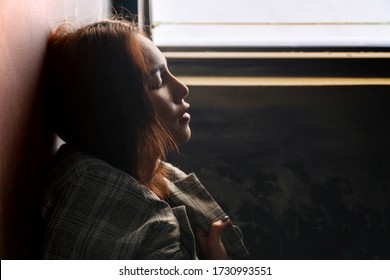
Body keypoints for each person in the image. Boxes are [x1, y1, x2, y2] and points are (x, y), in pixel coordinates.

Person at [41, 18, 249, 260]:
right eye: (157, 81)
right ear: (116, 107)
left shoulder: (159, 177)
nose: (182, 88)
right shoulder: (99, 198)